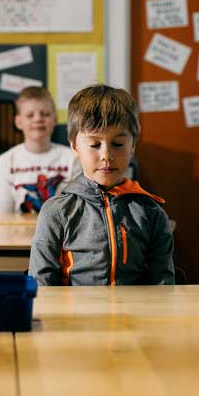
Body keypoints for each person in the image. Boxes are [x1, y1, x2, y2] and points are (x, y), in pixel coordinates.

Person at [29, 84, 174, 286]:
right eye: (94, 145)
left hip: (135, 316)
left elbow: (163, 285)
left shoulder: (152, 213)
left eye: (118, 144)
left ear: (133, 145)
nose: (106, 155)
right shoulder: (57, 212)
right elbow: (41, 285)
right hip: (75, 317)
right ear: (74, 146)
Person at [0, 86, 80, 213]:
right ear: (18, 122)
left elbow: (77, 209)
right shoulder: (5, 161)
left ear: (55, 119)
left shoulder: (72, 158)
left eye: (45, 114)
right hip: (17, 231)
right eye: (30, 115)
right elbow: (1, 214)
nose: (38, 119)